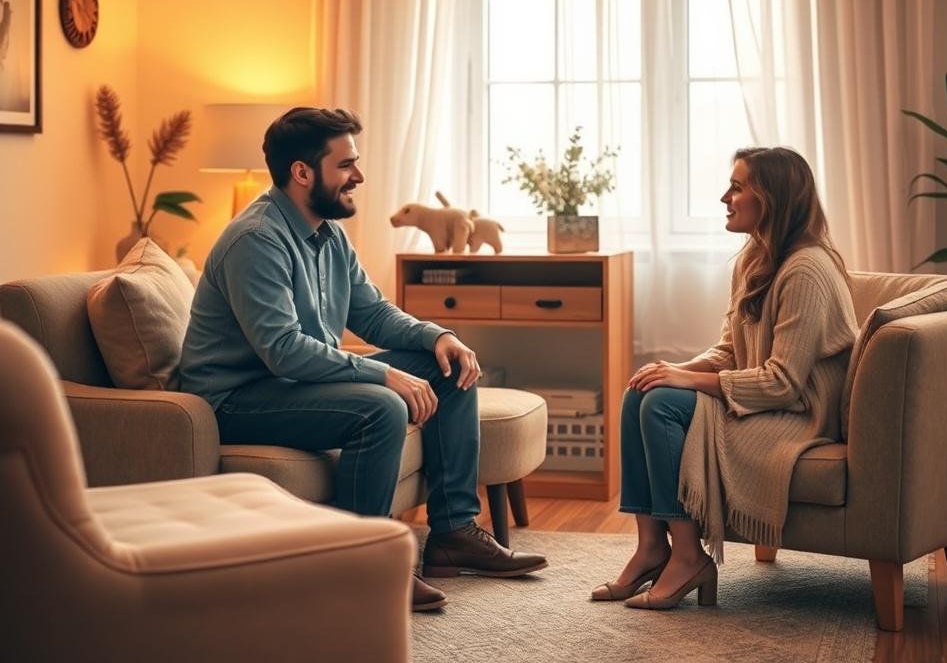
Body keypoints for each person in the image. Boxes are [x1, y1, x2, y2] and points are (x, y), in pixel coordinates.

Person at [180, 107, 547, 613]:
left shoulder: (328, 233)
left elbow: (371, 313)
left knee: (449, 367)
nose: (359, 175)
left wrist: (436, 336)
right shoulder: (256, 240)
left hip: (291, 383)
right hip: (236, 398)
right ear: (302, 172)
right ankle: (362, 567)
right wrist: (384, 374)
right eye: (346, 164)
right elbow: (283, 350)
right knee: (382, 407)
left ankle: (454, 533)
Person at [592, 146, 856, 610]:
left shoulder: (807, 270)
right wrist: (674, 370)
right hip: (768, 397)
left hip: (799, 414)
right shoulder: (754, 259)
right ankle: (652, 548)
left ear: (770, 199)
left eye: (737, 187)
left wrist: (687, 382)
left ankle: (690, 555)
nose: (724, 197)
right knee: (643, 392)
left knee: (662, 404)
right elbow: (731, 350)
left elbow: (783, 383)